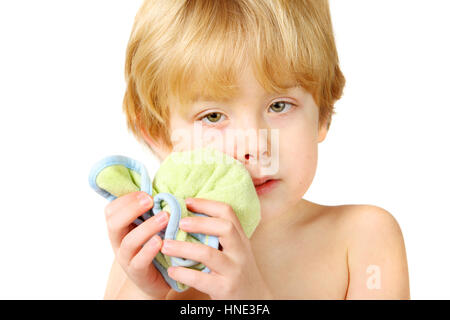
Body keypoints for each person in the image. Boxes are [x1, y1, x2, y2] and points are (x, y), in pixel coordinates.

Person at [102, 0, 410, 299]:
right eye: (212, 116)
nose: (254, 146)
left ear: (323, 115)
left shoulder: (362, 239)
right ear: (161, 136)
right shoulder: (151, 249)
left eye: (279, 106)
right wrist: (148, 291)